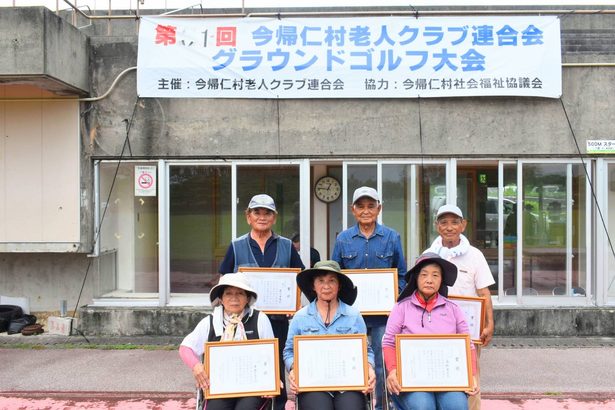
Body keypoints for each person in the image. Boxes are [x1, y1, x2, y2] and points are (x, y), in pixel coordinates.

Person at [219, 193, 305, 410]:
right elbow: (224, 280)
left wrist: (295, 305)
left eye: (267, 213)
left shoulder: (287, 246)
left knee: (277, 369)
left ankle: (277, 405)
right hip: (244, 321)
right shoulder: (236, 246)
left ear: (274, 218)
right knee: (247, 366)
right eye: (257, 212)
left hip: (278, 320)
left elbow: (301, 278)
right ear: (248, 216)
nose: (262, 217)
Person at [332, 186, 406, 410]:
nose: (366, 211)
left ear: (379, 208)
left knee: (383, 364)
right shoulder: (343, 239)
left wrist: (393, 299)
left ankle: (383, 406)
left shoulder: (392, 237)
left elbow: (401, 275)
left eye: (371, 206)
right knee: (354, 362)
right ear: (352, 210)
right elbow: (335, 275)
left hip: (383, 318)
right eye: (361, 206)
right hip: (352, 317)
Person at [383, 253, 479, 410]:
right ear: (416, 278)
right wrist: (392, 371)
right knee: (423, 407)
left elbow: (468, 345)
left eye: (435, 275)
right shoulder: (401, 308)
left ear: (441, 280)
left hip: (447, 377)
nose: (429, 280)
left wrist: (472, 375)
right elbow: (388, 342)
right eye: (424, 275)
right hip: (412, 379)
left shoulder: (453, 309)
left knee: (457, 406)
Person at [424, 204, 495, 410]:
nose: (449, 227)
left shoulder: (475, 255)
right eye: (444, 222)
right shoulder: (429, 254)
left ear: (463, 225)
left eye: (455, 222)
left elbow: (484, 292)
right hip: (434, 328)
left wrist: (489, 324)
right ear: (437, 226)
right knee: (437, 372)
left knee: (471, 375)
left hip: (468, 330)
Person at [284, 260, 376, 410]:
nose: (326, 286)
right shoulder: (300, 317)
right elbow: (289, 351)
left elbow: (367, 350)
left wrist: (369, 368)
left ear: (339, 285)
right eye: (321, 281)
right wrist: (294, 369)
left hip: (348, 384)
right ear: (313, 286)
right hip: (313, 384)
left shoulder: (353, 315)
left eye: (332, 281)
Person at [179, 273, 275, 410]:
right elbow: (185, 348)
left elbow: (270, 355)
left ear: (247, 298)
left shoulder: (260, 319)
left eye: (240, 293)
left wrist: (271, 380)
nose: (234, 298)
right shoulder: (210, 322)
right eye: (228, 293)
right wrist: (196, 367)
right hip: (220, 386)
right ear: (221, 299)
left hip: (253, 386)